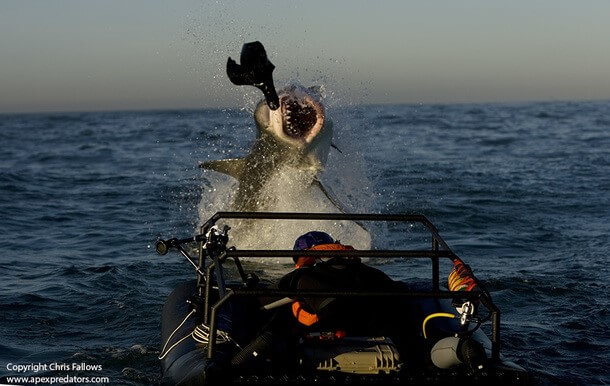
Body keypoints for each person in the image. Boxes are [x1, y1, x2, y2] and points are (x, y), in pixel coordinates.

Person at [231, 231, 401, 368]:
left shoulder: (303, 277)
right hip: (373, 333)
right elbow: (399, 293)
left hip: (329, 332)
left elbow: (259, 300)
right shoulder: (370, 273)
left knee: (275, 328)